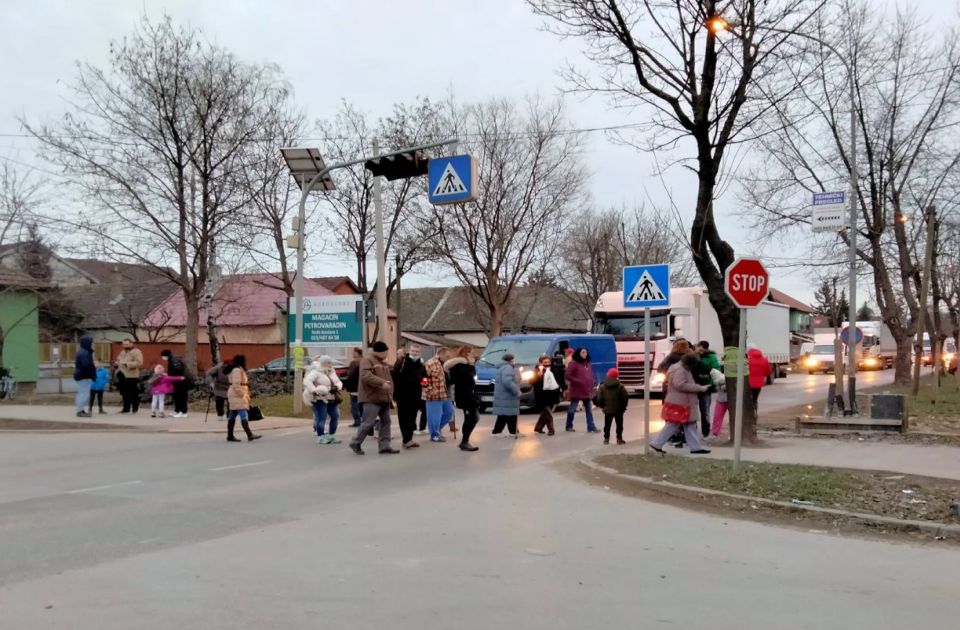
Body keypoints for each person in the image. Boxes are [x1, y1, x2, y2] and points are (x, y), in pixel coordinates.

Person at [650, 353, 711, 454]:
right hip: (682, 403)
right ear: (690, 364)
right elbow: (680, 385)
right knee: (675, 424)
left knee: (687, 424)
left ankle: (695, 447)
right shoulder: (681, 370)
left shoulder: (676, 367)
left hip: (679, 401)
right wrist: (699, 388)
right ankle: (656, 443)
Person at [351, 342, 399, 455]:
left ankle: (384, 446)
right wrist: (381, 383)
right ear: (380, 352)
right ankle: (356, 442)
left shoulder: (383, 362)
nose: (387, 354)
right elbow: (365, 376)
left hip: (384, 397)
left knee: (386, 422)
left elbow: (390, 377)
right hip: (371, 397)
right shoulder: (367, 360)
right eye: (386, 352)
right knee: (368, 422)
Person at [445, 346, 481, 452]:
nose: (473, 355)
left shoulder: (463, 365)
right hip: (465, 396)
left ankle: (465, 441)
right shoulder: (459, 366)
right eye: (471, 353)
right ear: (466, 354)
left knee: (473, 418)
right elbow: (469, 376)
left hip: (469, 395)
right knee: (472, 418)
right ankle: (464, 441)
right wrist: (471, 365)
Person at [392, 343, 427, 449]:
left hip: (416, 395)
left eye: (417, 352)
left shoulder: (421, 365)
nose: (415, 353)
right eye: (413, 351)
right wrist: (395, 394)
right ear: (409, 351)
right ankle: (406, 440)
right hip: (402, 395)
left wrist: (424, 383)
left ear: (420, 353)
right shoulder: (402, 362)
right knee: (404, 418)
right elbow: (394, 377)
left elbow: (425, 377)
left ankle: (409, 439)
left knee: (412, 417)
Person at [303, 355, 343, 444]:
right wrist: (314, 390)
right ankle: (321, 436)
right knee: (322, 417)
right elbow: (307, 381)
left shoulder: (331, 371)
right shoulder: (316, 372)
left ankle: (332, 435)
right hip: (320, 398)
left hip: (332, 397)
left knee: (335, 416)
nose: (331, 364)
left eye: (331, 362)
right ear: (323, 362)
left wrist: (337, 386)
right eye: (329, 362)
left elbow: (338, 381)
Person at [225, 354, 261, 442]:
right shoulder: (237, 370)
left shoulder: (235, 369)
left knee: (232, 415)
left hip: (234, 394)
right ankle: (249, 434)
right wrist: (242, 394)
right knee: (243, 413)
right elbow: (236, 384)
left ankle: (230, 435)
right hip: (237, 394)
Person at [422, 347, 455, 443]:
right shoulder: (430, 363)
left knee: (449, 413)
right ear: (441, 354)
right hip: (434, 395)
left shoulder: (447, 364)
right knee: (434, 417)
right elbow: (424, 379)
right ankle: (434, 435)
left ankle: (437, 429)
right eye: (447, 356)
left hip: (445, 394)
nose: (448, 358)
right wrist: (429, 390)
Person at [565, 347, 598, 433]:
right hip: (577, 389)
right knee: (572, 409)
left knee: (589, 410)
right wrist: (577, 381)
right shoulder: (573, 363)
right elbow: (568, 375)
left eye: (586, 352)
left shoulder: (588, 363)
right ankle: (569, 425)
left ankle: (591, 427)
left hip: (587, 390)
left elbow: (590, 374)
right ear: (579, 353)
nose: (585, 354)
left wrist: (593, 381)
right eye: (583, 352)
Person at [491, 353, 523, 437]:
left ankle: (513, 431)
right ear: (511, 360)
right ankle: (497, 432)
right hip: (507, 395)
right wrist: (517, 391)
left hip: (505, 395)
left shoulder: (503, 367)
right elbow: (507, 382)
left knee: (510, 414)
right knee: (505, 414)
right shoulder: (508, 368)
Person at [596, 367, 629, 445]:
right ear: (616, 376)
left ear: (608, 375)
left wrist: (602, 406)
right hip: (619, 410)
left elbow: (599, 398)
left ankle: (606, 438)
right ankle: (619, 438)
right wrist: (624, 407)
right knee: (619, 424)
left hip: (607, 409)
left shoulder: (602, 386)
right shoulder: (620, 386)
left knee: (607, 425)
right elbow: (625, 398)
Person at [695, 340, 720, 437]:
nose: (700, 351)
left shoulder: (711, 357)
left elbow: (715, 369)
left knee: (705, 410)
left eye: (702, 349)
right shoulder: (693, 355)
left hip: (706, 386)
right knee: (693, 410)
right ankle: (692, 430)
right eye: (698, 348)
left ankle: (705, 431)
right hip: (694, 386)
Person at [532, 355, 561, 435]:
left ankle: (538, 427)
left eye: (548, 362)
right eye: (545, 362)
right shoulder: (537, 371)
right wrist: (538, 376)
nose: (547, 364)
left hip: (552, 395)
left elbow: (558, 380)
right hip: (542, 395)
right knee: (548, 413)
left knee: (545, 413)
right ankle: (551, 430)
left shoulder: (553, 370)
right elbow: (532, 382)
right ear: (541, 363)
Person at [115, 339, 143, 414]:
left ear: (131, 344)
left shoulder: (136, 352)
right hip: (122, 374)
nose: (125, 346)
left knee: (133, 392)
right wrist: (117, 363)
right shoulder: (123, 352)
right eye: (124, 344)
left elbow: (139, 363)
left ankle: (135, 408)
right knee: (124, 392)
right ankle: (126, 408)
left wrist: (127, 364)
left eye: (127, 344)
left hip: (132, 375)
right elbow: (118, 360)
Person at [160, 349, 190, 418]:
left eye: (163, 356)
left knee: (180, 396)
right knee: (180, 396)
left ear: (166, 355)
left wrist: (168, 374)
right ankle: (179, 411)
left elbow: (177, 370)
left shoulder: (174, 360)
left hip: (181, 381)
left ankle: (181, 411)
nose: (163, 358)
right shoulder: (174, 359)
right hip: (180, 380)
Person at [73, 336, 96, 418]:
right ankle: (80, 411)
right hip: (83, 376)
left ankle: (81, 410)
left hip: (81, 375)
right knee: (83, 394)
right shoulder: (84, 353)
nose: (92, 344)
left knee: (82, 393)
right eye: (91, 342)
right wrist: (92, 375)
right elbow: (87, 365)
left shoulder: (84, 351)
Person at [747, 345, 772, 411]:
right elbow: (768, 372)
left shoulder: (747, 360)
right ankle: (755, 412)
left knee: (747, 399)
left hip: (748, 383)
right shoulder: (764, 359)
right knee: (755, 399)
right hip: (759, 383)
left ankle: (749, 413)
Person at [343, 347, 364, 427]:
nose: (352, 354)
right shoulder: (365, 361)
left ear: (356, 353)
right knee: (362, 404)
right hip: (363, 387)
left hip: (354, 387)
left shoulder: (354, 363)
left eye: (353, 352)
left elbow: (350, 375)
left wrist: (346, 384)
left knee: (354, 405)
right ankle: (363, 420)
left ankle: (357, 421)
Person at [709, 368, 728, 438]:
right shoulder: (718, 379)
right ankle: (715, 432)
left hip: (727, 400)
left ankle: (715, 433)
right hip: (721, 400)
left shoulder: (722, 379)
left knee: (717, 417)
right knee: (717, 417)